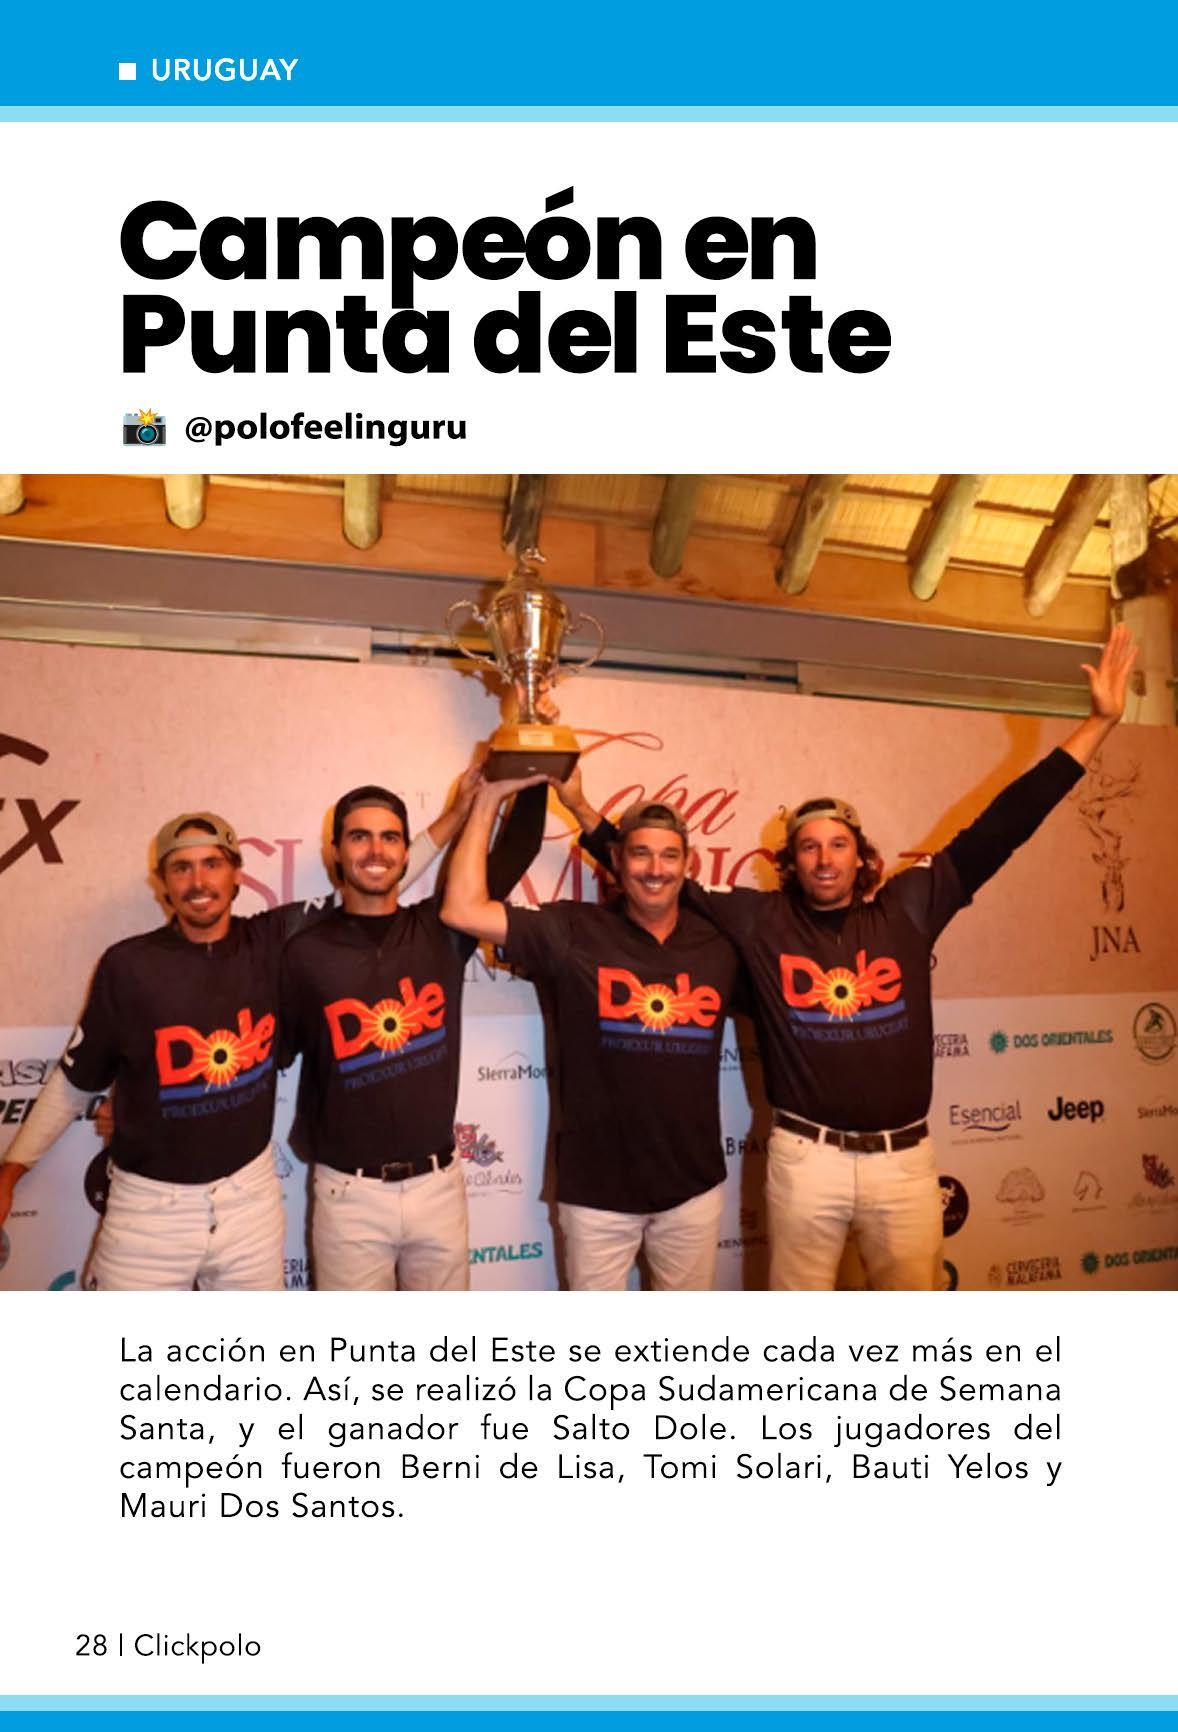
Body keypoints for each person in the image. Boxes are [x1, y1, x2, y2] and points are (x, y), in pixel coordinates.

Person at [559, 624, 1140, 1290]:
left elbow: (1004, 826)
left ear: (862, 855)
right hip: (806, 1161)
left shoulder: (911, 905)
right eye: (808, 846)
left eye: (838, 844)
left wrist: (1097, 725)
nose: (824, 858)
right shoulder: (760, 920)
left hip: (905, 1164)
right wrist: (580, 807)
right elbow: (654, 875)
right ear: (789, 861)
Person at [0, 767, 484, 1288]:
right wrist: (10, 1174)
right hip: (147, 1212)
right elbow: (74, 1081)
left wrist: (457, 815)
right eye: (181, 868)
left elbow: (375, 877)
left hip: (249, 1204)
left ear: (237, 875)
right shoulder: (127, 965)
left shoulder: (274, 942)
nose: (198, 882)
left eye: (212, 864)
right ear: (163, 883)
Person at [442, 784, 742, 1290]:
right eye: (640, 854)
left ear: (688, 864)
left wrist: (582, 807)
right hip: (597, 1197)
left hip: (693, 1191)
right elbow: (461, 911)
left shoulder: (720, 942)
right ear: (616, 860)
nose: (655, 869)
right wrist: (488, 799)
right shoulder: (574, 931)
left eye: (670, 855)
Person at [279, 778, 548, 1291]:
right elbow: (266, 1056)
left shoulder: (442, 930)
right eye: (359, 837)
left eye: (390, 838)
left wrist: (531, 771)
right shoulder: (303, 952)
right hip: (348, 1196)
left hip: (438, 1189)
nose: (375, 850)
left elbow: (518, 848)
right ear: (335, 852)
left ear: (407, 852)